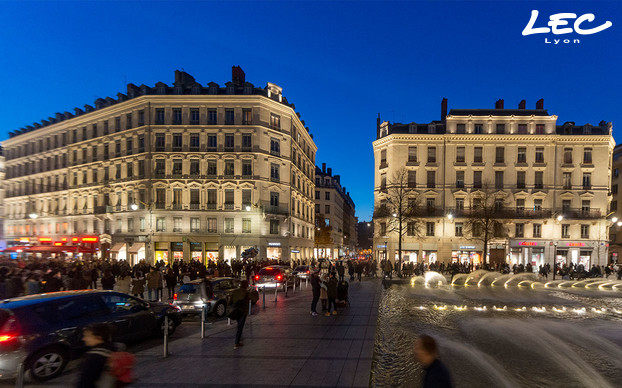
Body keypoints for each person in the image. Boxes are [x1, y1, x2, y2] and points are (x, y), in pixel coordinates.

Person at [75, 323, 113, 388]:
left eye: (87, 336)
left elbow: (85, 382)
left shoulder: (94, 358)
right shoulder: (111, 348)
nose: (83, 339)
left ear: (99, 337)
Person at [230, 280, 250, 349]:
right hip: (243, 311)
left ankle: (238, 340)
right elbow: (254, 298)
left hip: (236, 310)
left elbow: (230, 301)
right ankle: (236, 343)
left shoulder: (235, 291)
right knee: (240, 327)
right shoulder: (246, 292)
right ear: (246, 286)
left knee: (239, 325)